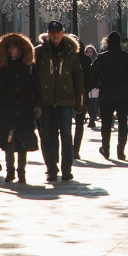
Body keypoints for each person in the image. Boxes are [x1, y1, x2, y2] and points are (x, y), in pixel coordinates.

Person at [0, 32, 41, 184]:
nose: (13, 50)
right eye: (10, 47)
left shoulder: (29, 66)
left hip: (24, 107)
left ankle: (21, 171)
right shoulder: (1, 66)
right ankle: (10, 171)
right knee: (8, 141)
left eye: (15, 47)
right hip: (6, 107)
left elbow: (36, 87)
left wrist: (38, 105)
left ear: (21, 49)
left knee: (22, 141)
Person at [34, 21, 85, 182]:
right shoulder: (40, 52)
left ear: (63, 32)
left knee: (66, 135)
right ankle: (51, 168)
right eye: (52, 31)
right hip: (46, 101)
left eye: (58, 31)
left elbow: (78, 78)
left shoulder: (71, 53)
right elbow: (33, 78)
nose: (55, 34)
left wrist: (80, 102)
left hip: (65, 101)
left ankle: (66, 169)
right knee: (47, 136)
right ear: (48, 33)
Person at [91, 32, 128, 161]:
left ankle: (106, 149)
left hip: (106, 94)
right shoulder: (126, 57)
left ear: (107, 42)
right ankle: (121, 151)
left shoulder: (102, 57)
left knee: (106, 124)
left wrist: (98, 84)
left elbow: (92, 72)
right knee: (123, 123)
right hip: (123, 93)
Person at [83, 44, 99, 130]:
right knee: (89, 103)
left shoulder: (97, 59)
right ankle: (91, 118)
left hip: (95, 85)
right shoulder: (84, 60)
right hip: (87, 85)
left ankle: (92, 118)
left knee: (94, 102)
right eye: (88, 51)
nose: (89, 53)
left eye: (91, 51)